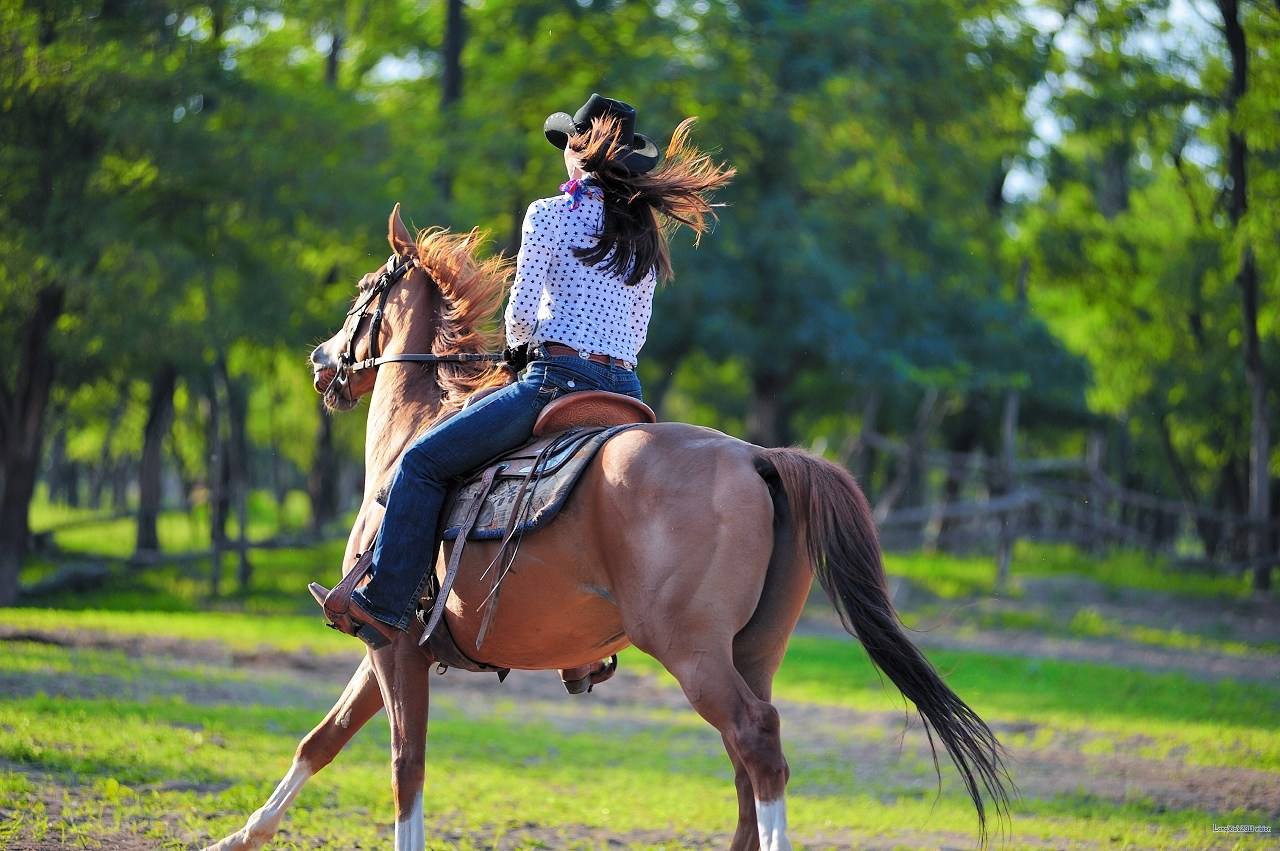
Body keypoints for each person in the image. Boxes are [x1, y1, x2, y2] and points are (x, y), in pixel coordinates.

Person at [312, 94, 736, 647]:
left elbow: (520, 311)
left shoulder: (550, 213)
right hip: (626, 393)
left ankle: (386, 602)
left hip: (557, 383)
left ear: (578, 152)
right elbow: (637, 329)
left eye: (567, 145)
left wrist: (518, 350)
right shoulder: (644, 234)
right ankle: (584, 652)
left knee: (421, 462)